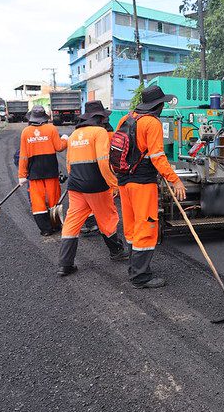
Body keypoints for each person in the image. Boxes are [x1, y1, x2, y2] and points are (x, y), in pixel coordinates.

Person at [116, 85, 186, 289]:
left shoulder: (126, 119)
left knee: (131, 226)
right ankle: (140, 277)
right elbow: (157, 157)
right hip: (142, 182)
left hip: (124, 181)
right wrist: (174, 179)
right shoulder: (152, 123)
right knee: (146, 225)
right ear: (158, 106)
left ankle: (134, 268)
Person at [57, 101, 128, 277]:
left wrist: (76, 179)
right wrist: (114, 183)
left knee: (72, 222)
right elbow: (103, 161)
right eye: (104, 116)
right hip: (96, 185)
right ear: (99, 117)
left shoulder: (74, 135)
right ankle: (116, 251)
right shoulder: (99, 132)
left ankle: (65, 264)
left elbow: (69, 163)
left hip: (75, 186)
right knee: (107, 217)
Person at [18, 105, 67, 236]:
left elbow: (23, 155)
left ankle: (45, 229)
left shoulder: (26, 132)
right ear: (44, 117)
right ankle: (55, 225)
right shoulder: (51, 128)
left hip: (34, 172)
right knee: (53, 198)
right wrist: (65, 139)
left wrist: (22, 175)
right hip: (51, 170)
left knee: (37, 200)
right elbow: (59, 147)